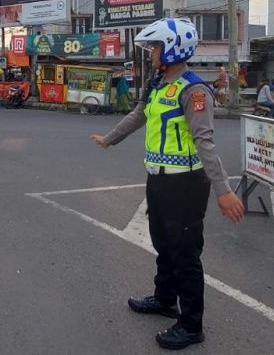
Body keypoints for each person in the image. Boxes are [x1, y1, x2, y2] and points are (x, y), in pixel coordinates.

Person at [91, 18, 244, 350]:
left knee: (185, 253)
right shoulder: (160, 84)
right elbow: (140, 114)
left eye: (155, 47)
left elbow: (205, 142)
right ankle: (164, 300)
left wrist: (224, 191)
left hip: (186, 185)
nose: (151, 54)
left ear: (173, 49)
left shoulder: (194, 90)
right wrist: (110, 139)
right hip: (158, 180)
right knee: (163, 244)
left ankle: (191, 325)